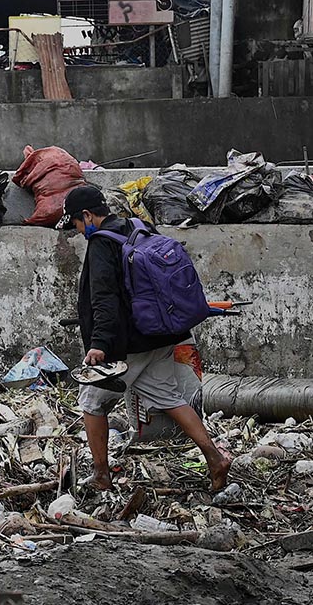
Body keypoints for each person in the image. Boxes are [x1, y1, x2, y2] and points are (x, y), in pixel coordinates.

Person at [59, 185, 230, 492]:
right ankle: (215, 458)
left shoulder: (101, 243)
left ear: (87, 215)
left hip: (128, 344)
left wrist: (99, 344)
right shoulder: (138, 226)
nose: (78, 230)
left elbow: (105, 300)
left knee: (92, 403)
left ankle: (101, 475)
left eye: (76, 223)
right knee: (169, 398)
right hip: (161, 335)